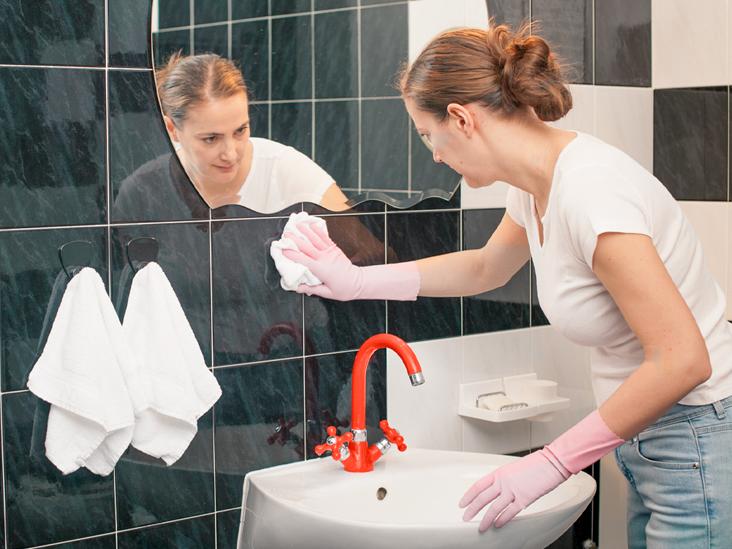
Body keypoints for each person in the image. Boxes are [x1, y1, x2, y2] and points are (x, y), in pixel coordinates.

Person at [281, 21, 732, 547]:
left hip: (695, 433)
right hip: (651, 436)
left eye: (428, 135)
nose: (433, 155)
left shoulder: (591, 192)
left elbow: (683, 360)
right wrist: (356, 281)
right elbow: (486, 267)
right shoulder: (538, 182)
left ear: (461, 118)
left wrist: (552, 462)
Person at [120, 52, 349, 214]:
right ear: (172, 130)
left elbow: (366, 252)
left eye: (240, 130)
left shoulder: (284, 171)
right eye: (211, 138)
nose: (230, 154)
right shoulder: (142, 192)